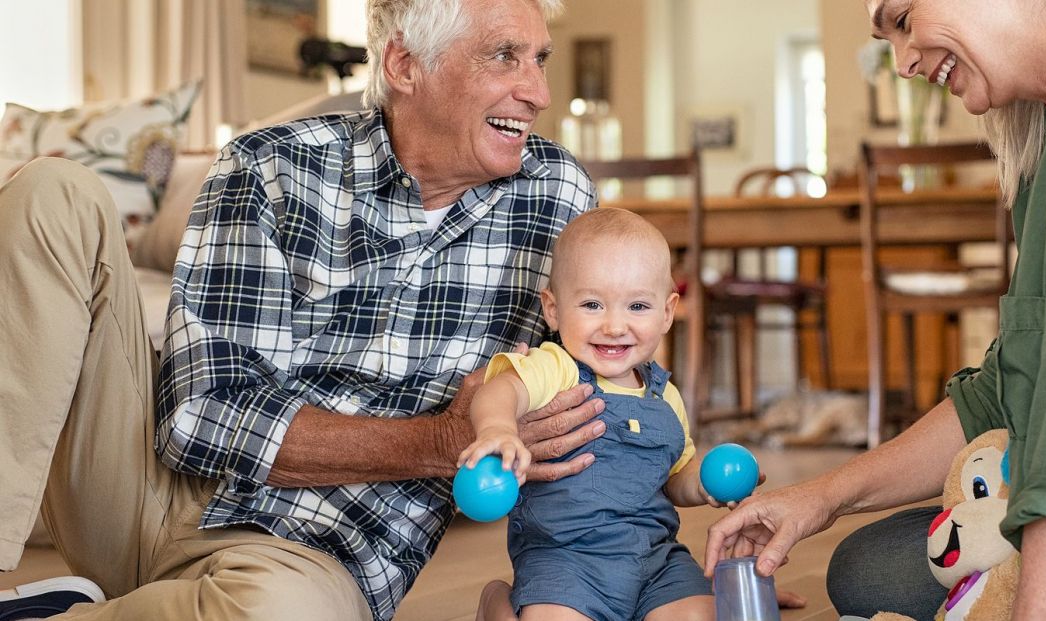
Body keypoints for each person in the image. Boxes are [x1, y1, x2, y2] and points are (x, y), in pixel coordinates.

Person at [0, 0, 613, 619]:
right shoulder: (270, 164)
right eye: (505, 57)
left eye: (539, 59)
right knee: (51, 194)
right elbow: (196, 420)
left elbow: (598, 399)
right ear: (405, 64)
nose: (537, 92)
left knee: (278, 612)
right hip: (146, 495)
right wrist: (440, 440)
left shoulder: (556, 196)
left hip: (312, 557)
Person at [704, 0, 1046, 619]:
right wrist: (821, 498)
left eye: (903, 20)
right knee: (866, 568)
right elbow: (1008, 389)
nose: (903, 62)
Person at [460, 208, 716, 621]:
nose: (615, 326)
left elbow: (675, 479)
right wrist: (498, 428)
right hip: (565, 562)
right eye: (593, 304)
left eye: (637, 305)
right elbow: (499, 390)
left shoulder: (664, 394)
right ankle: (497, 603)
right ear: (554, 309)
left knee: (700, 614)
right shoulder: (556, 368)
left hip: (656, 561)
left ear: (666, 312)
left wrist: (707, 485)